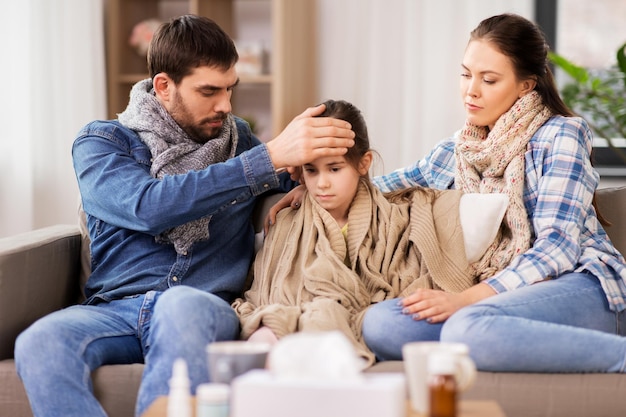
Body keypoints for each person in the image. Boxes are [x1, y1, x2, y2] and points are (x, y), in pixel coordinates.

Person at [14, 15, 355, 417]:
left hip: (202, 305)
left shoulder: (239, 143)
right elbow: (148, 207)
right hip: (115, 310)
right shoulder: (102, 144)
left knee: (179, 305)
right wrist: (268, 158)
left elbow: (314, 184)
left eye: (230, 89)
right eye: (209, 91)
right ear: (164, 86)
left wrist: (303, 183)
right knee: (40, 340)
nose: (226, 106)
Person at [360, 13, 626, 372]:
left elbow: (558, 247)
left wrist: (464, 300)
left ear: (525, 86)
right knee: (382, 322)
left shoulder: (561, 134)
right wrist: (307, 191)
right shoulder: (457, 151)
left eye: (489, 80)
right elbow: (379, 189)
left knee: (468, 327)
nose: (471, 90)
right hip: (497, 297)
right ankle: (495, 339)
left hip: (578, 282)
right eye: (466, 74)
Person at [232, 99, 479, 366]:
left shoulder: (392, 221)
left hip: (366, 319)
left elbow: (404, 282)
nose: (322, 183)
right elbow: (268, 289)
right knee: (265, 334)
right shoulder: (288, 222)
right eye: (311, 171)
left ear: (364, 164)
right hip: (301, 317)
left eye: (335, 169)